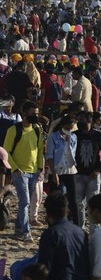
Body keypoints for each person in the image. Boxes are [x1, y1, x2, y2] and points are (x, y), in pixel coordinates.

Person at [4, 101, 43, 242]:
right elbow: (6, 151)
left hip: (34, 171)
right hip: (19, 172)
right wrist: (15, 168)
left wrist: (40, 167)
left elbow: (39, 150)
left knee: (25, 203)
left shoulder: (37, 129)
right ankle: (26, 231)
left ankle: (18, 229)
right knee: (25, 201)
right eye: (33, 114)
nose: (35, 116)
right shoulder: (13, 130)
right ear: (24, 113)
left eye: (37, 114)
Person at [37, 191, 90, 280]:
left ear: (47, 213)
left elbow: (44, 268)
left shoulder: (51, 234)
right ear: (67, 211)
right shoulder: (81, 232)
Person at [74, 111, 101, 229]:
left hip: (93, 176)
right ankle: (80, 229)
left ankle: (94, 231)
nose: (80, 122)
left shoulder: (98, 135)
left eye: (82, 120)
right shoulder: (75, 135)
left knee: (93, 205)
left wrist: (99, 169)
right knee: (79, 204)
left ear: (90, 121)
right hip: (78, 174)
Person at [45, 114, 79, 225]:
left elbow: (72, 153)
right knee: (55, 199)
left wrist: (68, 140)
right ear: (62, 125)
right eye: (68, 128)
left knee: (73, 199)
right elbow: (49, 156)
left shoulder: (73, 137)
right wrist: (54, 174)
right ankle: (53, 222)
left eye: (71, 128)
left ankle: (76, 223)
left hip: (70, 169)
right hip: (56, 170)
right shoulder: (53, 137)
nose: (69, 130)